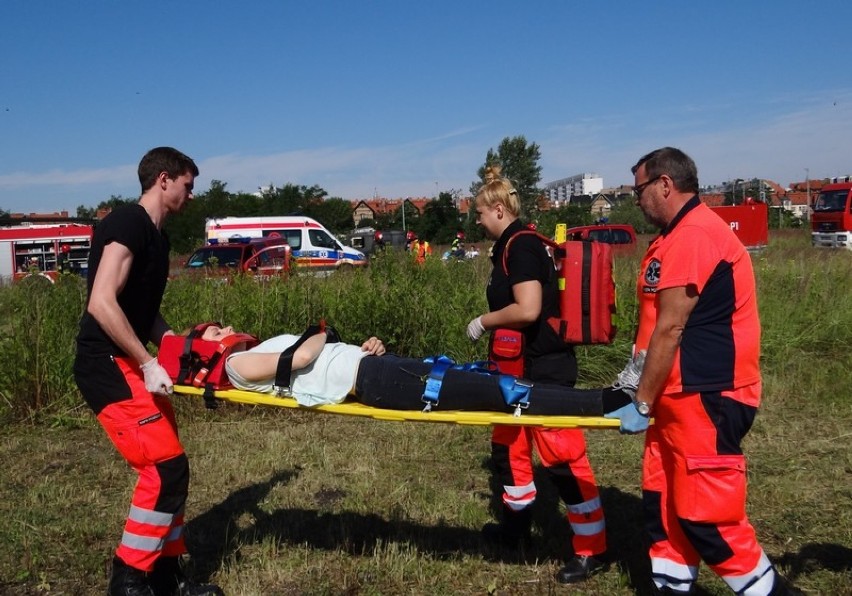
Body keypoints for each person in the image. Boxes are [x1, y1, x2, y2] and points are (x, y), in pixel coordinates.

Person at [629, 147, 802, 596]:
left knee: (707, 517)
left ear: (665, 184)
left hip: (706, 396)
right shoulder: (672, 236)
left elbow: (670, 327)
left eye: (639, 190)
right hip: (676, 399)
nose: (636, 200)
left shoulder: (695, 236)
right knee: (663, 505)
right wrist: (639, 381)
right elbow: (652, 324)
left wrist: (641, 400)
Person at [73, 147, 224, 596]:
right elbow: (102, 302)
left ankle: (165, 577)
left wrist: (178, 348)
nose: (191, 195)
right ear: (163, 179)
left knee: (174, 466)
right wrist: (147, 362)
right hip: (106, 363)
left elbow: (144, 314)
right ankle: (128, 580)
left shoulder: (158, 239)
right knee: (164, 468)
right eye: (187, 185)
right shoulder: (126, 223)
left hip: (133, 360)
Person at [465, 166, 608, 584]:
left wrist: (484, 321)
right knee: (508, 451)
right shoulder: (513, 245)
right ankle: (514, 533)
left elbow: (527, 309)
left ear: (497, 209)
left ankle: (592, 549)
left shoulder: (522, 246)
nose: (476, 220)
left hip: (544, 369)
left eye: (478, 213)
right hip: (516, 369)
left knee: (562, 459)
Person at [186, 325, 648, 420]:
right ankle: (606, 402)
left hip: (370, 369)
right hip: (371, 382)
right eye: (215, 329)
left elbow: (310, 358)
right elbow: (301, 361)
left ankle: (606, 398)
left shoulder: (252, 347)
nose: (225, 327)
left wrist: (362, 345)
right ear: (207, 347)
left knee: (490, 384)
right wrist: (321, 334)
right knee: (499, 393)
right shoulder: (233, 362)